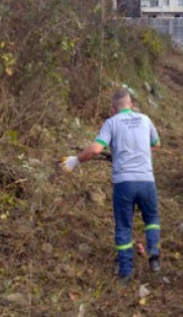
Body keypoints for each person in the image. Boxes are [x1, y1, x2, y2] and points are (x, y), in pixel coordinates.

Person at [60, 89, 162, 280]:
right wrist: (138, 152)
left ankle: (126, 272)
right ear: (132, 104)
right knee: (152, 218)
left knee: (124, 227)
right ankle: (154, 257)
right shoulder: (146, 119)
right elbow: (156, 144)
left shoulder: (111, 123)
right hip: (146, 181)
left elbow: (96, 149)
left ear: (113, 109)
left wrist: (75, 160)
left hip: (124, 183)